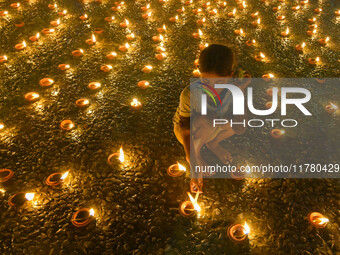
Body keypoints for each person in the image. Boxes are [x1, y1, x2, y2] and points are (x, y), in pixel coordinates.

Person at [173, 44, 250, 193]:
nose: (212, 87)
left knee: (234, 124)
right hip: (190, 131)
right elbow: (185, 128)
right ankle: (198, 152)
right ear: (200, 71)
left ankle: (213, 144)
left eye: (219, 82)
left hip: (212, 126)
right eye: (207, 81)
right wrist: (193, 161)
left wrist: (241, 90)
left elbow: (240, 127)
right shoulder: (189, 94)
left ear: (230, 75)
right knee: (208, 121)